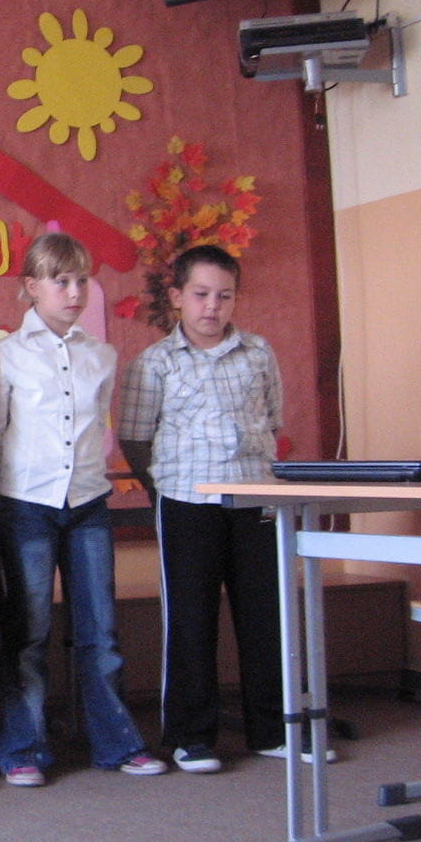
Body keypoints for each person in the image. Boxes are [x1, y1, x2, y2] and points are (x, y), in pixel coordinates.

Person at [0, 233, 166, 788]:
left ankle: (116, 742)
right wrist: (1, 497)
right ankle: (23, 746)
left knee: (100, 631)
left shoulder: (100, 355)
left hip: (88, 501)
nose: (73, 291)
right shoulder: (5, 354)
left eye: (81, 280)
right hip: (27, 504)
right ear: (31, 286)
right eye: (60, 280)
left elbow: (97, 430)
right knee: (30, 630)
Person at [117, 244, 286, 774]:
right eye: (201, 294)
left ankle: (273, 730)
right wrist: (163, 488)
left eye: (224, 295)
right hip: (187, 503)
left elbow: (272, 421)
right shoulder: (155, 363)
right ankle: (190, 736)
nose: (212, 306)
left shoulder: (258, 353)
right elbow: (135, 437)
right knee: (191, 619)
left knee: (266, 616)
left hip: (255, 499)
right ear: (177, 297)